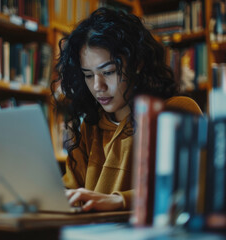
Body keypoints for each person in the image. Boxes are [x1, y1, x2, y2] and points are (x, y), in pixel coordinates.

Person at [52, 7, 202, 212]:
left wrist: (119, 200)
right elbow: (71, 190)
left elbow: (193, 187)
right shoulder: (89, 126)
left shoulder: (175, 112)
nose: (98, 86)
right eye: (88, 75)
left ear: (137, 64)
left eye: (108, 71)